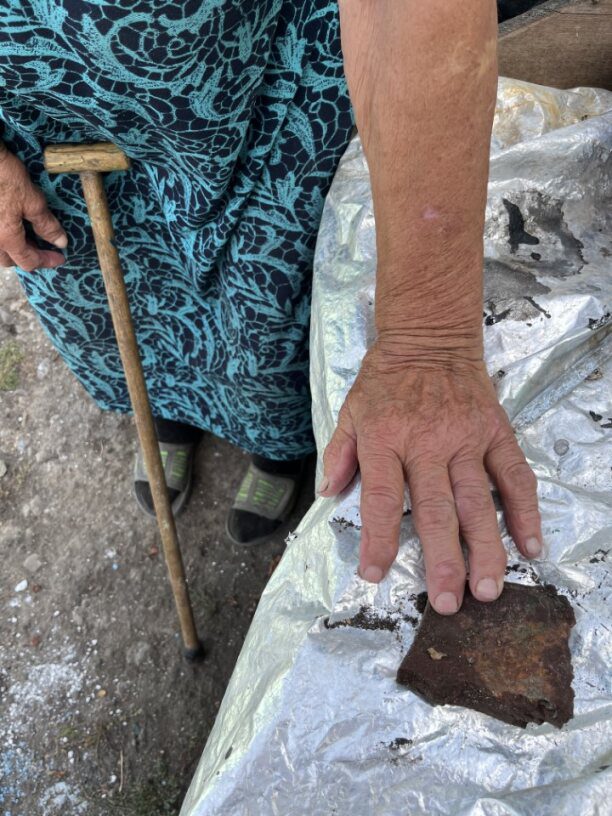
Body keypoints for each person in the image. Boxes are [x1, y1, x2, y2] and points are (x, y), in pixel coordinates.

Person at [0, 1, 542, 614]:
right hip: (46, 147)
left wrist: (427, 339)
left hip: (263, 107)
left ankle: (276, 452)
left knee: (266, 335)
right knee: (121, 319)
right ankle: (169, 416)